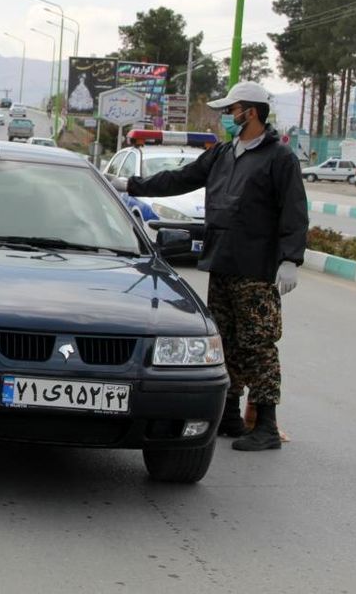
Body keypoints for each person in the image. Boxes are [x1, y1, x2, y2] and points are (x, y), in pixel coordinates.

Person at [127, 81, 308, 451]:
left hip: (257, 270)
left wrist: (290, 259)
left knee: (258, 344)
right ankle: (228, 413)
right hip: (222, 262)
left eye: (232, 110)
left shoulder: (279, 158)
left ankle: (267, 425)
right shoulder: (225, 153)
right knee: (224, 342)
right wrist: (132, 185)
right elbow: (181, 178)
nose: (227, 117)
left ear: (251, 112)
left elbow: (294, 211)